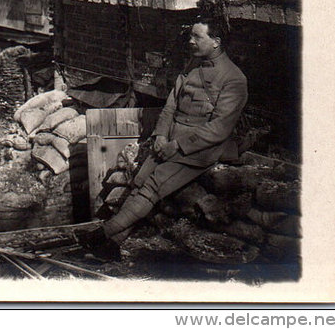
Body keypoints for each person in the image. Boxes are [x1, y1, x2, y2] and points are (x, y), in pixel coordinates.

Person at [80, 16, 248, 260]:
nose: (190, 41)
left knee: (152, 186)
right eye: (190, 36)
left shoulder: (234, 79)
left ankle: (101, 234)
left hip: (199, 149)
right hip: (170, 140)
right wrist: (160, 135)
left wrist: (177, 145)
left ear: (216, 42)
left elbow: (219, 129)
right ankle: (112, 246)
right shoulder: (191, 67)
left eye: (197, 37)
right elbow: (170, 107)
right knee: (139, 181)